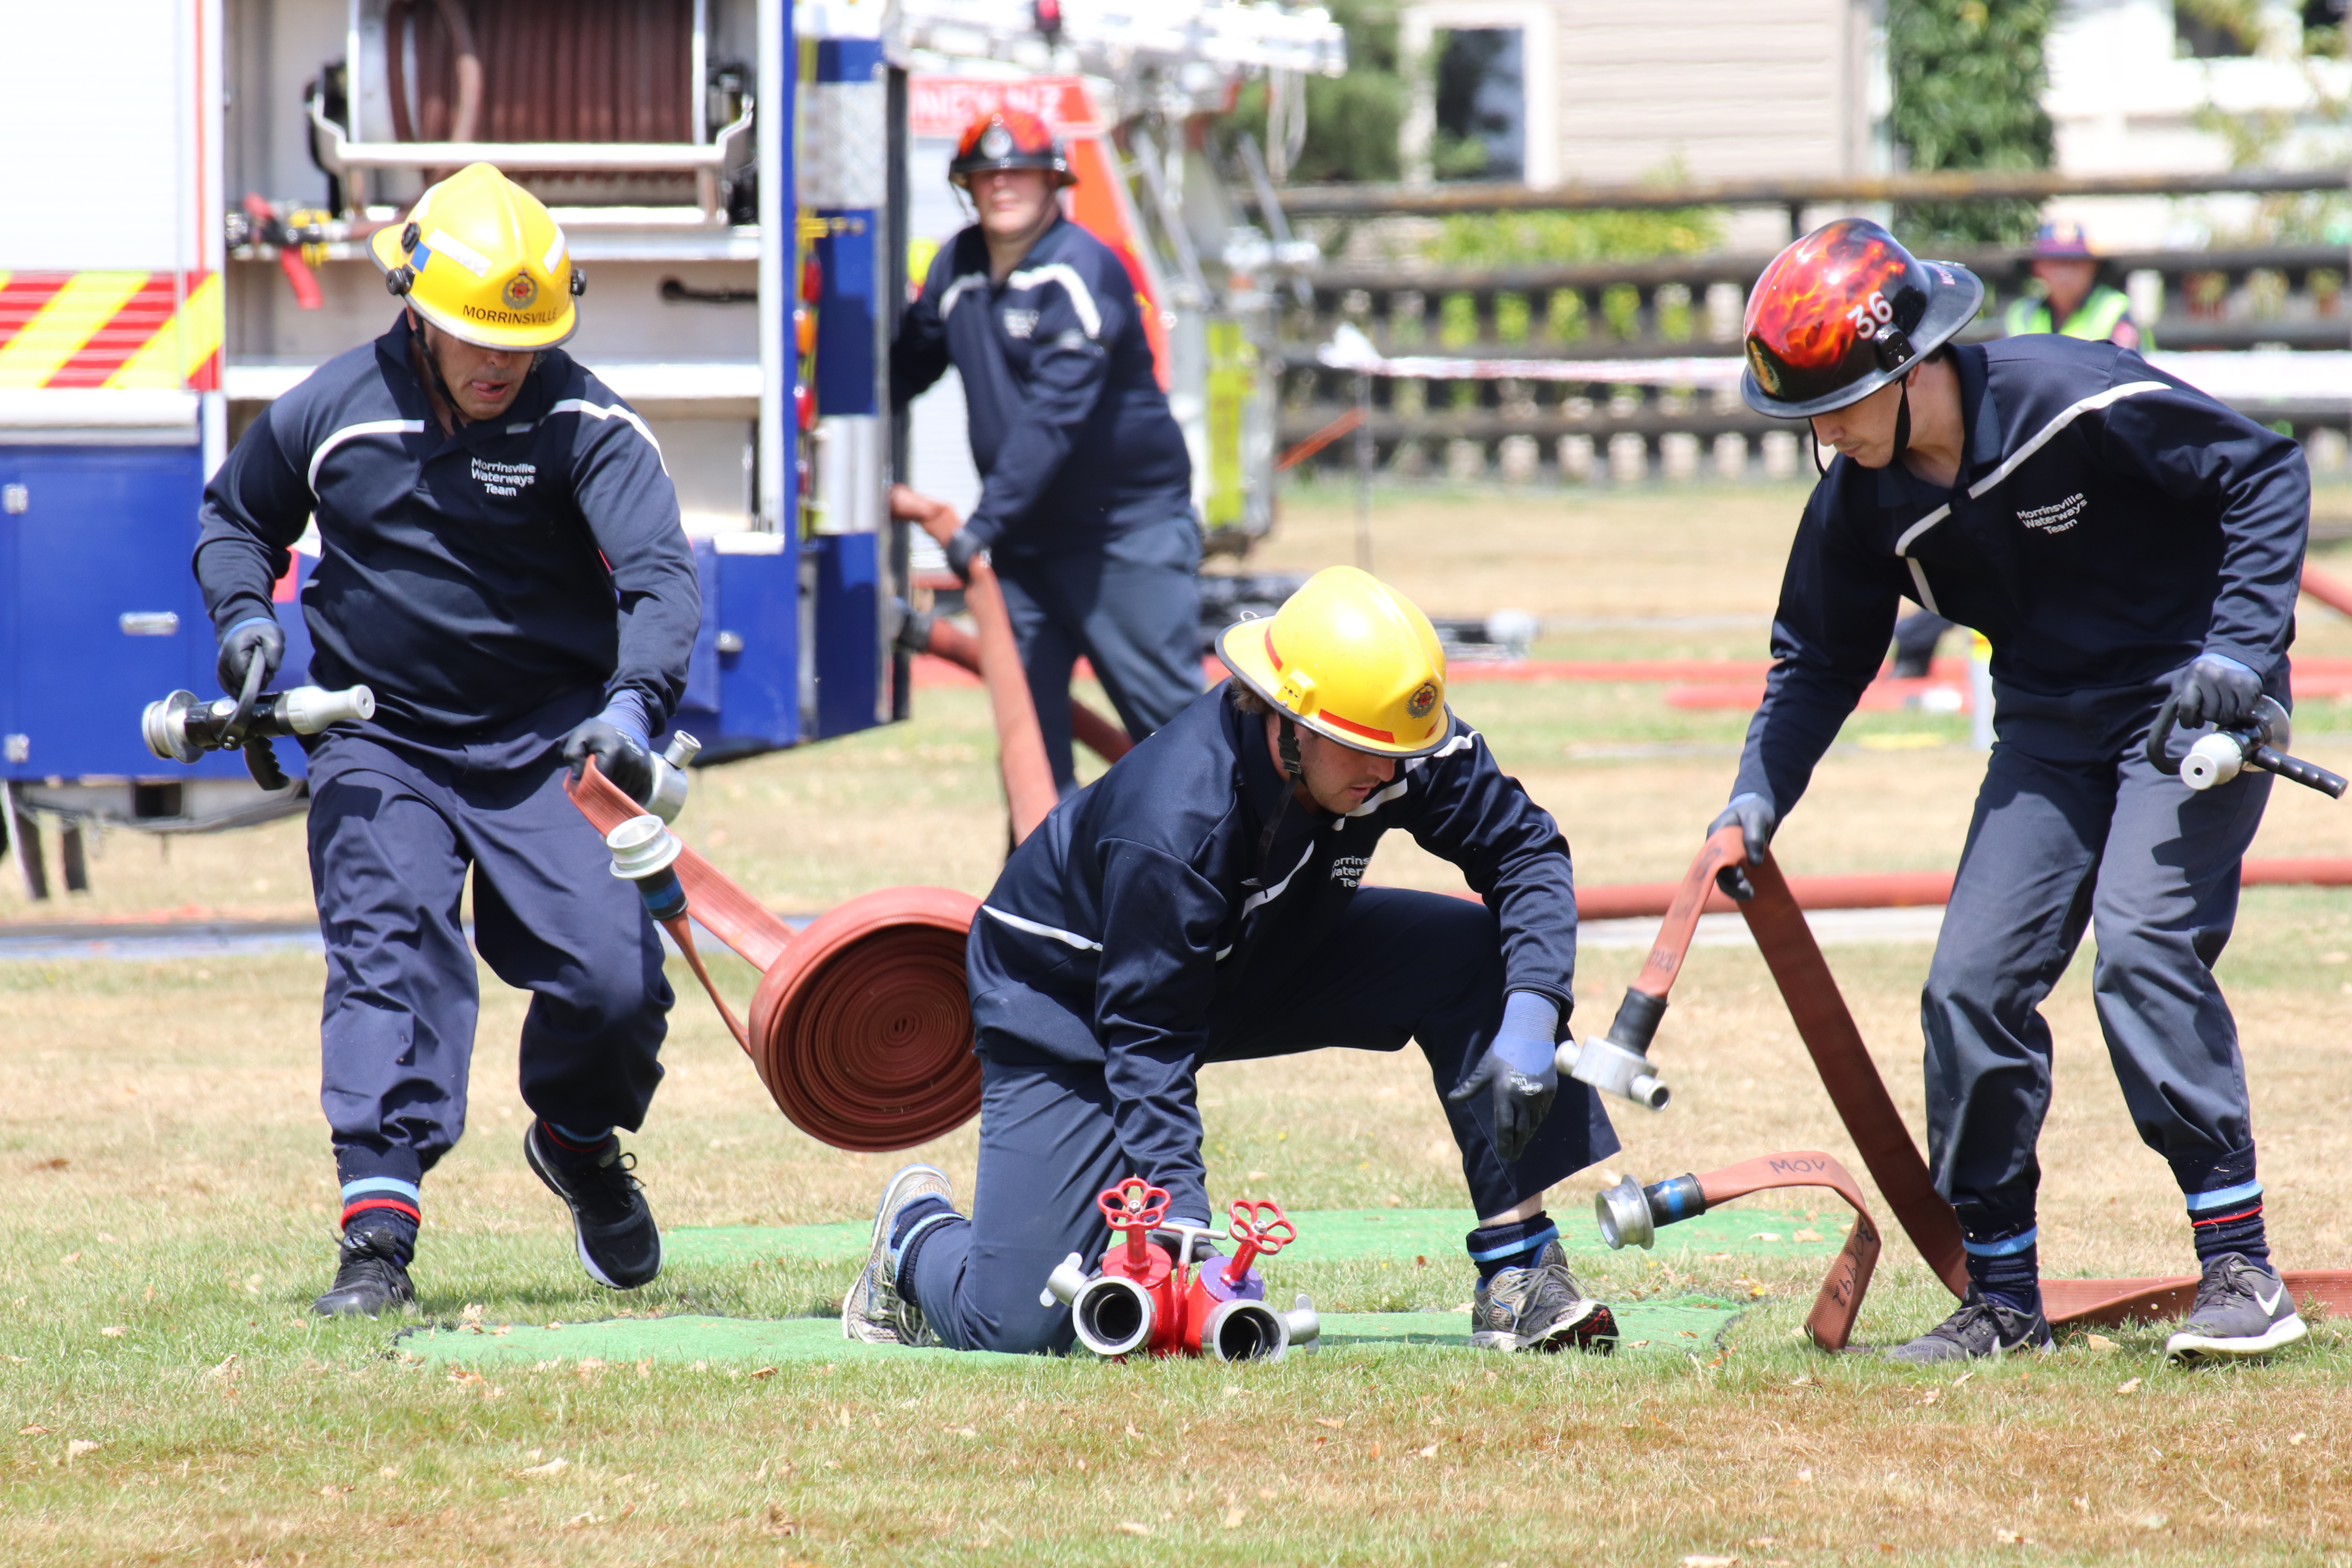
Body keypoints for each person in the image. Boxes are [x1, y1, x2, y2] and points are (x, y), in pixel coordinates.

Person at [1724, 218, 2308, 1363]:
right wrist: (1752, 796)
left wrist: (2238, 655)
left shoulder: (2071, 396)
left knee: (2140, 949)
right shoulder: (1858, 500)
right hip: (2044, 732)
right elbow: (1813, 659)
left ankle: (2239, 1270)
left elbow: (2261, 470)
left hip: (2186, 708)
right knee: (1967, 988)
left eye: (1838, 403)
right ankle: (2000, 1300)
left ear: (1906, 368)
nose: (1826, 435)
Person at [840, 567, 1622, 1356]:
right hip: (1066, 1000)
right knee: (1015, 1322)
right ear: (1292, 718)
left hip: (1253, 953)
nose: (1389, 776)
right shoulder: (1175, 821)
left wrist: (1532, 1011)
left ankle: (1518, 1268)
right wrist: (1182, 1222)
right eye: (1362, 753)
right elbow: (1147, 1034)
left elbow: (1525, 851)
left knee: (1479, 957)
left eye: (1398, 754)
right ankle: (915, 1236)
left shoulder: (1390, 739)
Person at [193, 163, 701, 1318]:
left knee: (616, 986)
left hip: (549, 749)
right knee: (392, 959)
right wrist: (243, 625)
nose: (496, 362)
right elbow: (238, 518)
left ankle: (576, 1143)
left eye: (518, 342)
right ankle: (377, 1239)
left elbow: (661, 579)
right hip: (379, 739)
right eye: (473, 336)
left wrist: (630, 709)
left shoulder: (588, 423)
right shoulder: (333, 410)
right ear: (414, 311)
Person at [891, 108, 1203, 794]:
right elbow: (906, 367)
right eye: (986, 175)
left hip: (1123, 540)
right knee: (1028, 745)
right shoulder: (959, 266)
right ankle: (1043, 894)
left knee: (1178, 735)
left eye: (1020, 173)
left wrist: (980, 526)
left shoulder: (1081, 269)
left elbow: (1053, 418)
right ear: (966, 188)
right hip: (1026, 550)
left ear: (1053, 182)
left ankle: (1243, 886)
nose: (1002, 186)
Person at [2002, 221, 2143, 348]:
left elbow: (2130, 371)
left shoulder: (2115, 309)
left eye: (2075, 263)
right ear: (2037, 267)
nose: (2066, 272)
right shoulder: (2021, 314)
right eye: (2056, 263)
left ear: (2093, 267)